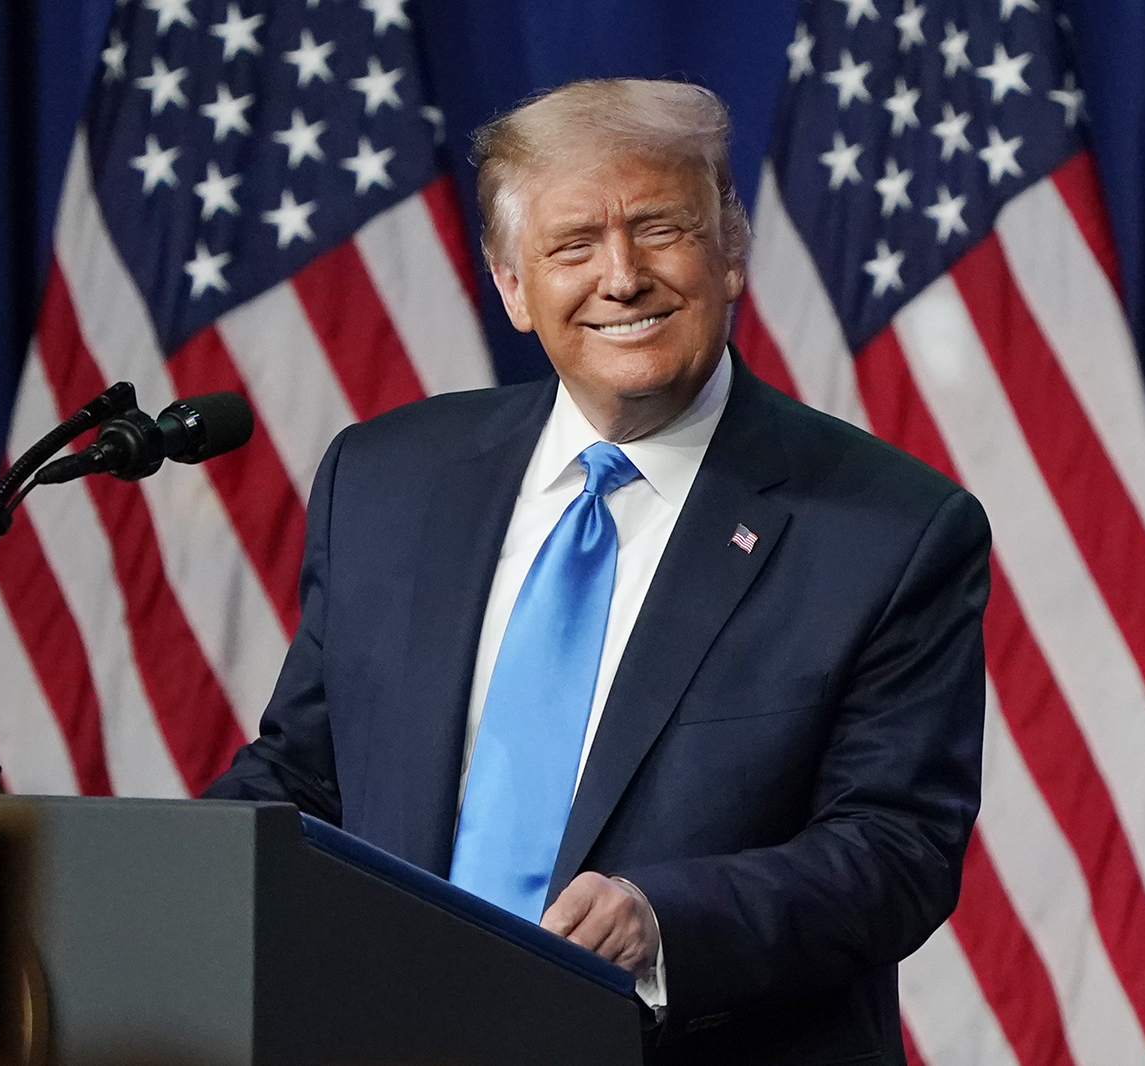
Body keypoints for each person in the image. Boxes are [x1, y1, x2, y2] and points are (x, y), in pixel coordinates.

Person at [204, 78, 990, 1065]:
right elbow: (306, 773)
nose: (621, 277)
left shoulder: (888, 529)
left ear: (731, 251)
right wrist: (146, 881)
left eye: (659, 228)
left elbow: (896, 847)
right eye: (573, 243)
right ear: (511, 282)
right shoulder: (387, 480)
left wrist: (664, 924)